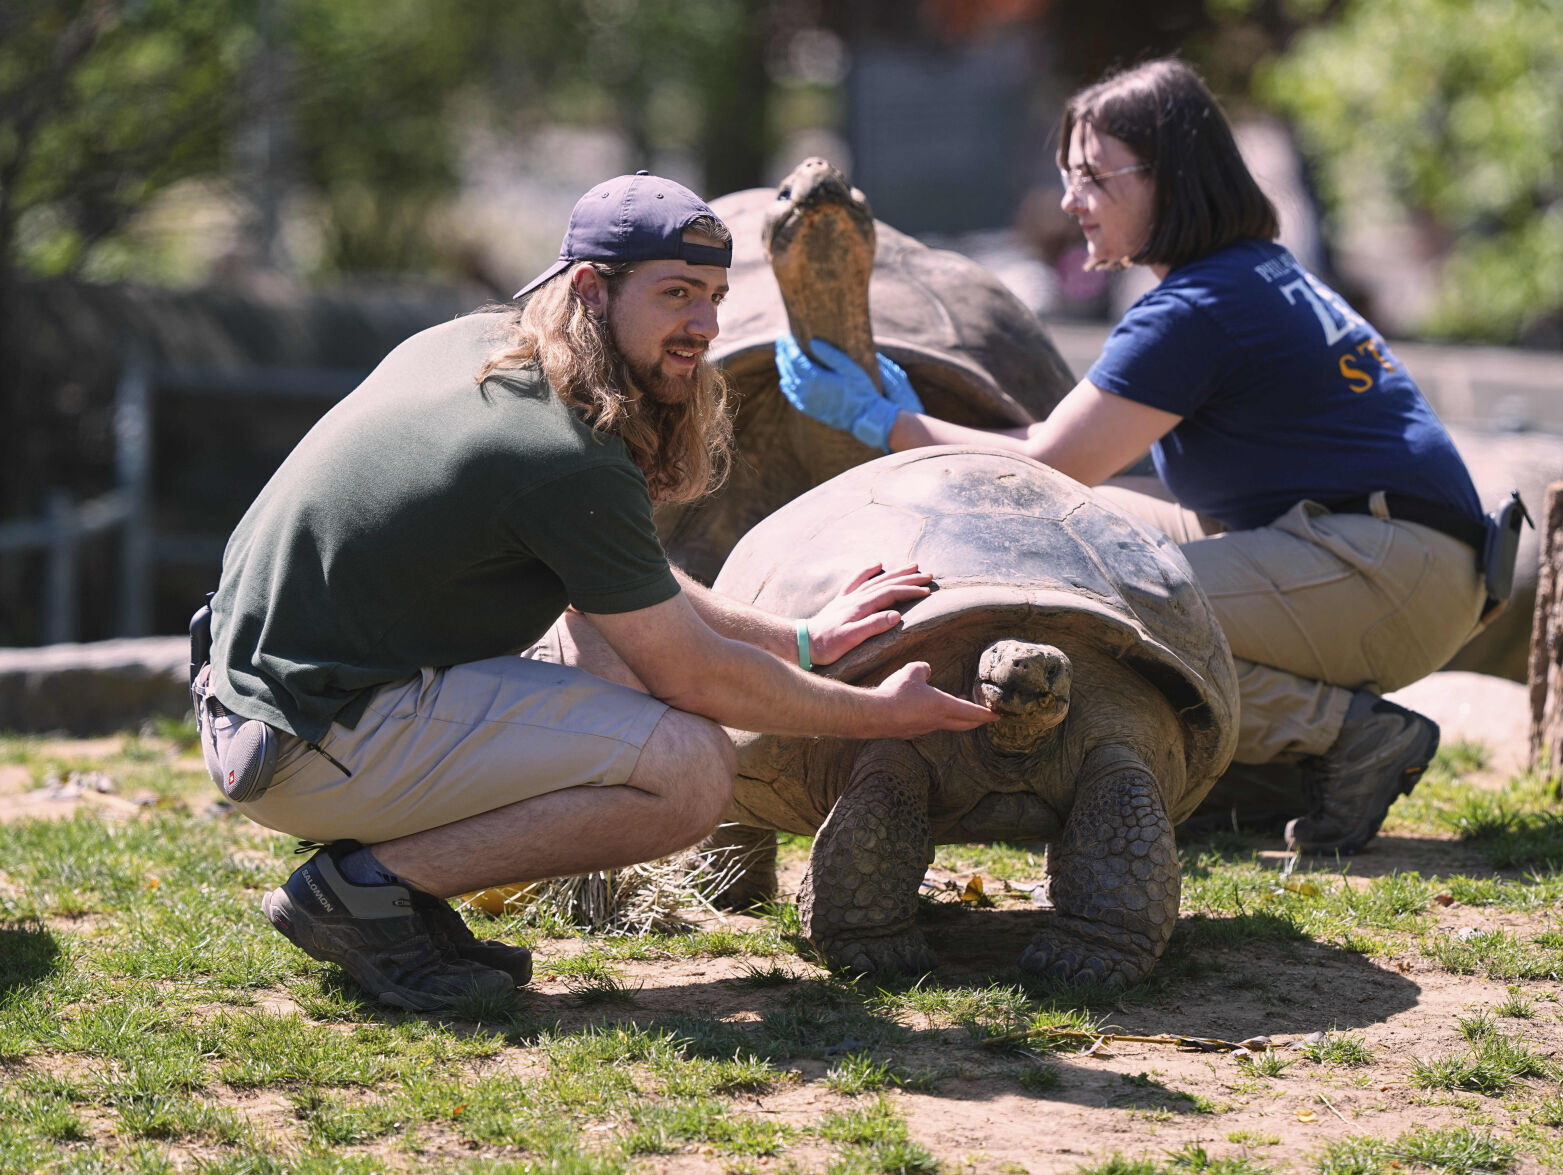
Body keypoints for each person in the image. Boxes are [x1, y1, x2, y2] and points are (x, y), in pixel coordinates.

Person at [193, 171, 996, 1011]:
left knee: (611, 650)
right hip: (302, 742)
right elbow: (696, 676)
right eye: (676, 293)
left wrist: (801, 640)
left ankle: (395, 894)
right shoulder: (560, 452)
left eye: (715, 297)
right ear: (589, 288)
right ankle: (360, 893)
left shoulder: (476, 346)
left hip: (265, 706)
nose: (704, 325)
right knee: (690, 772)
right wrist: (877, 713)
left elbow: (624, 585)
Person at [774, 58, 1489, 857]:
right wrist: (906, 417)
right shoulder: (1242, 272)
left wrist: (883, 420)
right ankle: (1292, 756)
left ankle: (1343, 735)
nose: (1069, 200)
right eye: (1066, 176)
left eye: (1092, 176)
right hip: (1395, 554)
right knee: (1071, 538)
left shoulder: (1198, 307)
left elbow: (1049, 459)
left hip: (1389, 571)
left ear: (1168, 176)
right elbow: (1066, 475)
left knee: (1093, 614)